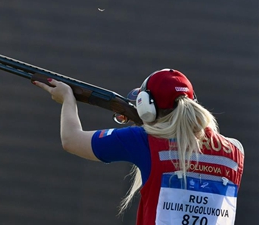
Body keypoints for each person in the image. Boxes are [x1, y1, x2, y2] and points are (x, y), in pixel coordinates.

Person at [33, 68, 244, 225]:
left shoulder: (144, 141)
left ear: (147, 107)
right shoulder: (235, 152)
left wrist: (68, 99)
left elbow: (71, 139)